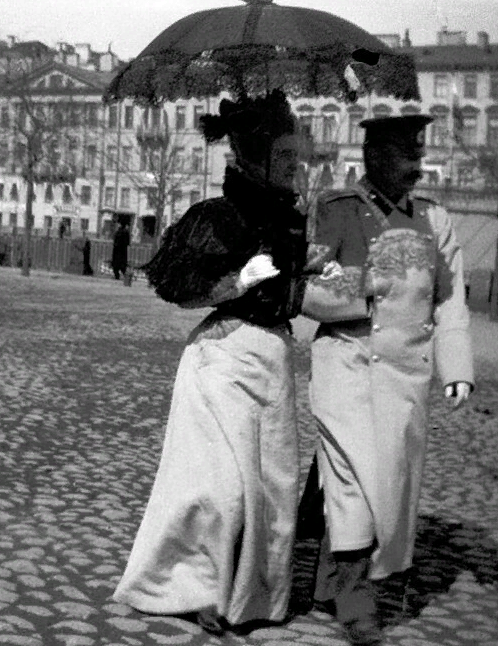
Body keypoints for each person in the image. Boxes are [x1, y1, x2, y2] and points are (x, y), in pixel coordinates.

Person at [113, 89, 314, 634]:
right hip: (221, 358)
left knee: (270, 486)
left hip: (273, 359)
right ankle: (199, 587)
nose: (296, 168)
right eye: (285, 159)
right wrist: (235, 282)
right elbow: (179, 287)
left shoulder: (292, 219)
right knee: (221, 487)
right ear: (253, 157)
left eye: (298, 158)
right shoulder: (218, 216)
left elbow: (292, 292)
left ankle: (249, 596)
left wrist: (312, 276)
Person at [299, 115, 474, 646]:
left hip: (405, 378)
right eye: (406, 153)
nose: (417, 163)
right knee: (354, 485)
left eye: (420, 152)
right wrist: (366, 284)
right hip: (347, 367)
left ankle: (326, 578)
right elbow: (308, 291)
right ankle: (356, 602)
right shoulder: (335, 212)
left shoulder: (434, 219)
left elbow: (450, 299)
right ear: (374, 156)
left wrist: (458, 368)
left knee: (389, 487)